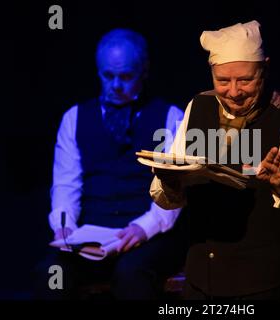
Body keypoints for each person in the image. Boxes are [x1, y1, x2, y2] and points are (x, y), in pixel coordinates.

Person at [150, 20, 280, 300]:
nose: (234, 91)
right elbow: (170, 196)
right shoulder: (198, 106)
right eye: (222, 81)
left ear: (264, 68)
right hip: (200, 279)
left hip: (259, 284)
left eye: (245, 80)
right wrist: (170, 178)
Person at [34, 28, 187, 299]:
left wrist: (145, 227)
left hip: (147, 235)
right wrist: (63, 225)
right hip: (91, 235)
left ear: (144, 71)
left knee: (131, 274)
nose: (116, 84)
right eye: (108, 75)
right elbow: (65, 184)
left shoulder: (170, 117)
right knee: (51, 273)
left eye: (126, 76)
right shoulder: (75, 117)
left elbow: (173, 190)